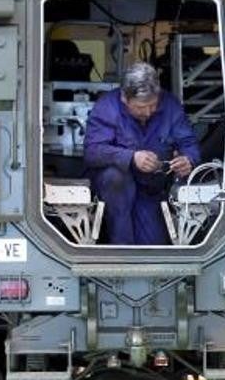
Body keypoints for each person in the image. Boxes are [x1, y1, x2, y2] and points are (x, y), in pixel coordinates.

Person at [84, 62, 200, 245]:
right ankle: (119, 253)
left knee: (153, 247)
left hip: (151, 188)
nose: (148, 112)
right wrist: (131, 157)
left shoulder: (170, 106)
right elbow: (92, 151)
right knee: (116, 178)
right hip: (114, 189)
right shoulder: (107, 107)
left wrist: (188, 160)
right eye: (140, 107)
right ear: (124, 98)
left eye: (153, 105)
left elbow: (189, 144)